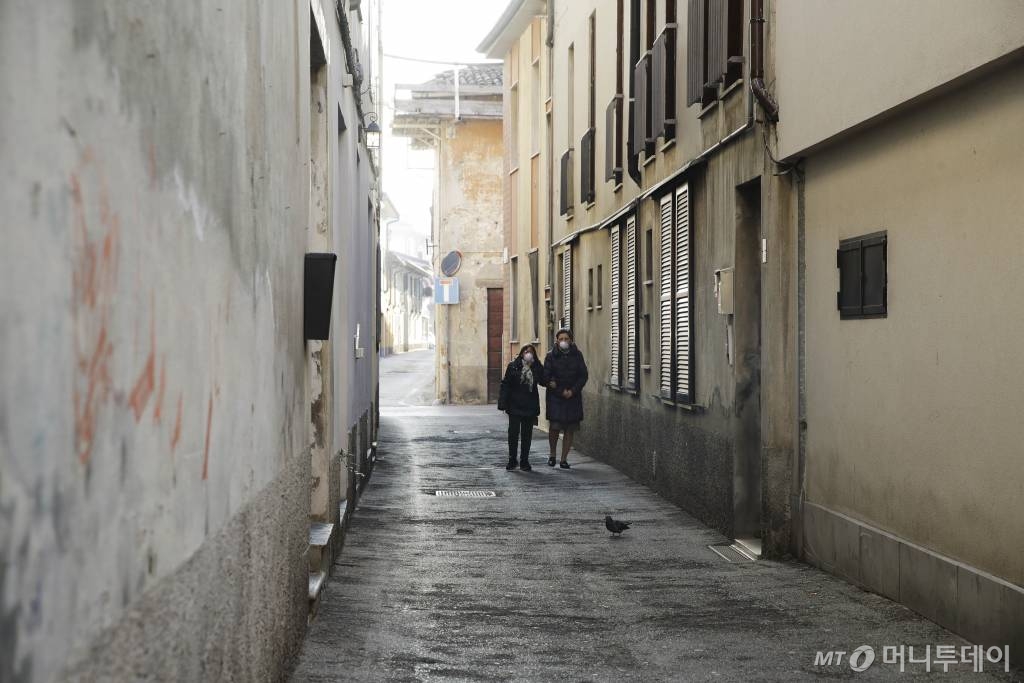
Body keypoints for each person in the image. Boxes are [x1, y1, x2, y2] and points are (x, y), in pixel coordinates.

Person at [544, 329, 588, 468]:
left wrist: (573, 391)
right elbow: (547, 376)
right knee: (555, 427)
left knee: (570, 429)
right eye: (561, 339)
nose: (563, 341)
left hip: (572, 398)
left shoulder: (577, 355)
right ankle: (552, 455)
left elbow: (583, 375)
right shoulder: (550, 356)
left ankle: (564, 459)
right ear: (557, 341)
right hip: (556, 397)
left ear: (570, 340)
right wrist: (559, 391)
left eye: (566, 338)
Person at [498, 344, 545, 471]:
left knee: (526, 434)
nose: (528, 353)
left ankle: (524, 460)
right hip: (514, 404)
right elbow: (506, 384)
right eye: (525, 351)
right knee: (513, 433)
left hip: (529, 405)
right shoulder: (513, 366)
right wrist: (502, 402)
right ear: (522, 353)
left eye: (530, 352)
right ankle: (512, 459)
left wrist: (537, 366)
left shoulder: (536, 367)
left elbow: (543, 381)